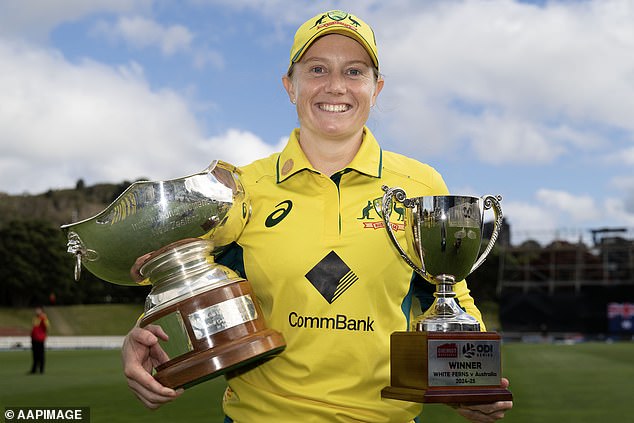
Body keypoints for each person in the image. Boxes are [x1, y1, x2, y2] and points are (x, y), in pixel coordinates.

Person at [122, 10, 514, 422]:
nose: (335, 86)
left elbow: (450, 290)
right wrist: (143, 334)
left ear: (375, 88)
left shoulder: (419, 183)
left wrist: (470, 380)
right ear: (289, 86)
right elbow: (188, 282)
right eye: (317, 69)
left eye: (354, 71)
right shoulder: (241, 188)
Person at [30, 306, 49, 374]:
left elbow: (47, 326)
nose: (36, 311)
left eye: (38, 310)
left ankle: (41, 369)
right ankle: (34, 369)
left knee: (41, 354)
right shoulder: (35, 318)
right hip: (34, 338)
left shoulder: (43, 317)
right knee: (35, 355)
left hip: (40, 338)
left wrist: (43, 317)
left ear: (41, 310)